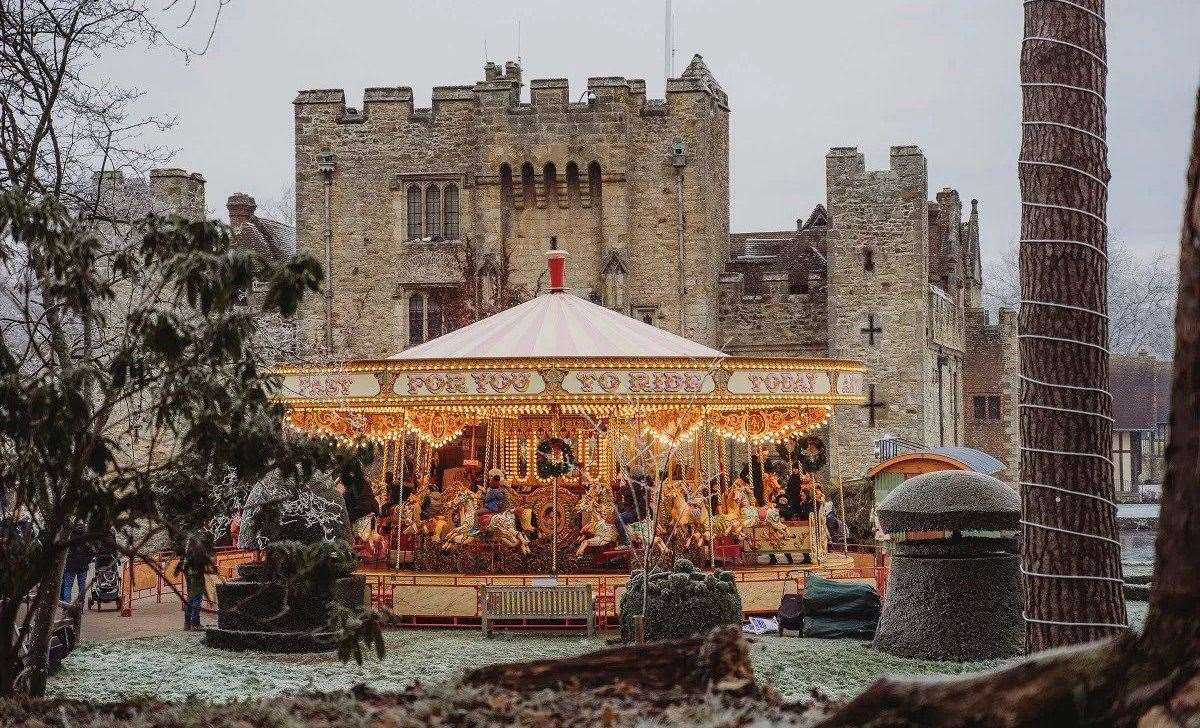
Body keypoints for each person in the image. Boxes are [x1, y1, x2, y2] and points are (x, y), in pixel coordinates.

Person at [177, 531, 216, 631]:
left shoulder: (188, 542)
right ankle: (195, 623)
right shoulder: (199, 544)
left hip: (188, 572)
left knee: (190, 597)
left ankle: (187, 623)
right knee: (197, 598)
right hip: (195, 573)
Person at [60, 525, 94, 603]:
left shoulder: (70, 537)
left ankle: (66, 604)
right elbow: (91, 552)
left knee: (68, 586)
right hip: (83, 566)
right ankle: (80, 604)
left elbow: (64, 551)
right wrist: (87, 561)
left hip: (70, 566)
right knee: (82, 587)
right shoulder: (86, 538)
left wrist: (66, 561)